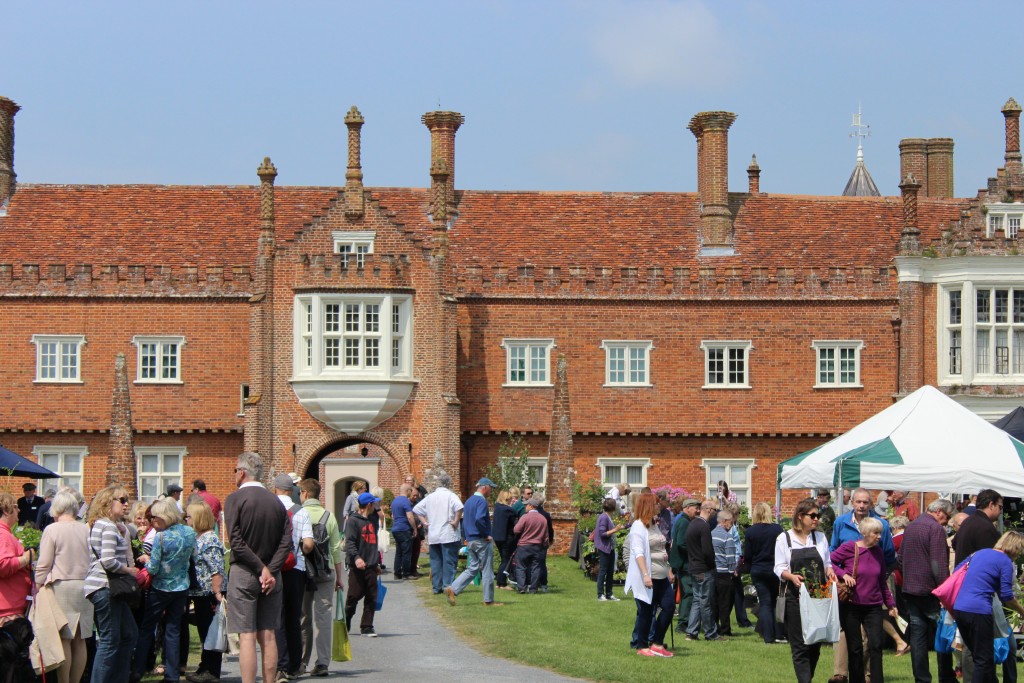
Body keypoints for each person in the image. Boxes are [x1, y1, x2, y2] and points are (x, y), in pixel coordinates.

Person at [224, 451, 293, 683]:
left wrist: (260, 568)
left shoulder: (235, 499)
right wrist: (270, 569)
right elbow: (287, 542)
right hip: (273, 575)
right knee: (269, 634)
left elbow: (235, 540)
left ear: (242, 472)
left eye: (235, 470)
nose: (234, 474)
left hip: (244, 571)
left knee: (247, 635)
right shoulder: (276, 501)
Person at [829, 487, 896, 683]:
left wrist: (890, 604)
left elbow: (885, 568)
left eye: (865, 502)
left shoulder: (879, 535)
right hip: (850, 597)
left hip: (873, 601)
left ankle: (874, 678)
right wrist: (842, 575)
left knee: (875, 644)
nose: (861, 505)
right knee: (854, 644)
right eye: (858, 502)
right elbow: (830, 559)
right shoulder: (841, 524)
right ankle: (844, 675)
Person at [131, 498, 196, 683]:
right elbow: (193, 556)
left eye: (154, 518)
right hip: (181, 586)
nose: (152, 522)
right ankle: (172, 674)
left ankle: (138, 670)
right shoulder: (190, 533)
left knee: (147, 628)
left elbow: (153, 568)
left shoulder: (161, 536)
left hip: (160, 587)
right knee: (173, 630)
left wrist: (146, 560)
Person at [775, 497, 837, 683]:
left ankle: (807, 678)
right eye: (813, 515)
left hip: (819, 596)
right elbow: (778, 567)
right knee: (799, 644)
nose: (816, 519)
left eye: (817, 515)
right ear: (801, 516)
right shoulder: (784, 538)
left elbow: (827, 562)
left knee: (815, 643)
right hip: (795, 597)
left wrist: (830, 570)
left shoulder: (820, 537)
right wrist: (791, 576)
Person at [35, 489, 93, 683]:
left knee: (64, 638)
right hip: (85, 585)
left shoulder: (52, 529)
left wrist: (37, 584)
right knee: (81, 639)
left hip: (61, 585)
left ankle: (64, 681)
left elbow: (44, 563)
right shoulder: (86, 528)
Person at [952, 531, 1024, 683]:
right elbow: (1007, 595)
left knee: (979, 655)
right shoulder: (1005, 561)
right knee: (983, 659)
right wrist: (1021, 611)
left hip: (959, 608)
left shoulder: (978, 553)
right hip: (979, 610)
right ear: (1015, 547)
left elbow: (957, 572)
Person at [84, 485, 138, 683]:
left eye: (127, 500)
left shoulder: (107, 525)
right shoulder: (106, 526)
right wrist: (128, 570)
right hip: (105, 587)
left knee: (129, 634)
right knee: (109, 640)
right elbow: (107, 560)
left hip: (107, 587)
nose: (126, 504)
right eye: (122, 500)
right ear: (107, 503)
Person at [901, 497, 955, 683]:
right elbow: (938, 563)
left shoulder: (911, 526)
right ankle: (946, 676)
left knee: (918, 638)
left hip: (911, 589)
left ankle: (921, 678)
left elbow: (900, 558)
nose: (947, 522)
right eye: (947, 517)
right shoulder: (936, 529)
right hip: (930, 592)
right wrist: (945, 592)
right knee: (943, 634)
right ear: (939, 511)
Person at [297, 478, 343, 677]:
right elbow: (335, 549)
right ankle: (323, 663)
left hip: (303, 573)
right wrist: (339, 577)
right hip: (325, 572)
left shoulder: (298, 514)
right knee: (323, 618)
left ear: (305, 494)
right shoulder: (329, 516)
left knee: (303, 617)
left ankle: (301, 662)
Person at [625, 493, 674, 657]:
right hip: (648, 577)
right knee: (647, 612)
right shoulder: (638, 526)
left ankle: (657, 643)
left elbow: (661, 548)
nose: (658, 506)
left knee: (669, 607)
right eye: (655, 504)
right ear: (647, 506)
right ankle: (642, 645)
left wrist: (668, 569)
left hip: (661, 575)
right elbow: (638, 552)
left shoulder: (654, 524)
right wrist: (645, 574)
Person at [272, 473, 307, 682]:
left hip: (275, 567)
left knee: (278, 618)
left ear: (276, 488)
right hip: (297, 567)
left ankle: (281, 665)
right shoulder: (300, 512)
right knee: (294, 618)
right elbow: (308, 542)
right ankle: (295, 664)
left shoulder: (270, 508)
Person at [184, 502, 224, 683]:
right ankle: (204, 666)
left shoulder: (210, 540)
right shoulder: (198, 538)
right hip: (198, 593)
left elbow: (217, 569)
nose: (186, 520)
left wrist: (217, 594)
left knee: (210, 632)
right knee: (204, 633)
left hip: (208, 594)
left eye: (189, 516)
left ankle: (212, 670)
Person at [446, 478, 502, 607]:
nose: (491, 490)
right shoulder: (481, 501)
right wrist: (485, 534)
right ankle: (488, 600)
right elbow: (479, 519)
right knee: (487, 570)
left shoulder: (469, 501)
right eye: (491, 488)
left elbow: (464, 520)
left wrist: (466, 537)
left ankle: (453, 589)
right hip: (481, 539)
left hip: (471, 539)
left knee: (472, 568)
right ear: (485, 487)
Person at [412, 472, 463, 595]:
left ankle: (436, 587)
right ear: (448, 484)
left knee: (436, 561)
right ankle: (447, 586)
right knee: (449, 561)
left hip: (434, 534)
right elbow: (459, 507)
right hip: (448, 533)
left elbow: (416, 509)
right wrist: (456, 521)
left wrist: (424, 522)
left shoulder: (430, 496)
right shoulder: (451, 495)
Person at [743, 501, 786, 645]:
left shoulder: (751, 531)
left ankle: (768, 636)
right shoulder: (777, 529)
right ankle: (779, 633)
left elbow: (747, 554)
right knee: (776, 602)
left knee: (765, 603)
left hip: (758, 569)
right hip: (775, 569)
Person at [685, 499, 724, 641]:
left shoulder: (692, 524)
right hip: (703, 569)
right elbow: (707, 551)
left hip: (694, 567)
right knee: (705, 601)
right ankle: (711, 633)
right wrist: (712, 564)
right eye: (714, 510)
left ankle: (691, 631)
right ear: (708, 510)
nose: (715, 513)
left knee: (697, 599)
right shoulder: (704, 526)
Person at [345, 491, 381, 637]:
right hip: (357, 565)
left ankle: (367, 626)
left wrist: (376, 562)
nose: (375, 506)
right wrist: (356, 558)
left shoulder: (372, 520)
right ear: (369, 504)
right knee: (354, 595)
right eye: (374, 503)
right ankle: (347, 616)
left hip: (371, 565)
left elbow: (373, 543)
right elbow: (350, 542)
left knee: (372, 596)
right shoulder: (353, 521)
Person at [0, 491, 33, 624]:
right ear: (6, 511)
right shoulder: (3, 535)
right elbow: (2, 565)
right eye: (15, 506)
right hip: (7, 611)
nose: (19, 510)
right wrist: (26, 558)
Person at [669, 498, 699, 632]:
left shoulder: (684, 521)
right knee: (688, 593)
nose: (698, 510)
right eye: (695, 508)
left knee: (687, 592)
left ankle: (684, 621)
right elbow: (681, 542)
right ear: (687, 508)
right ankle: (683, 624)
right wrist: (695, 552)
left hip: (682, 563)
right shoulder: (685, 522)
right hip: (685, 564)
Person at [953, 488, 1003, 565]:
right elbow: (991, 559)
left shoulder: (968, 521)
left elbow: (954, 544)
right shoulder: (985, 527)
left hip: (962, 572)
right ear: (991, 505)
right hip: (975, 574)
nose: (1000, 512)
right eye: (1000, 507)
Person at [512, 497, 547, 593]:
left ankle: (522, 588)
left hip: (524, 546)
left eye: (526, 505)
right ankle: (533, 588)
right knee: (536, 568)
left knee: (521, 567)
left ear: (531, 506)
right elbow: (545, 535)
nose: (525, 507)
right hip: (537, 546)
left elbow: (516, 530)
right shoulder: (543, 519)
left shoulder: (525, 517)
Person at [711, 509, 738, 636]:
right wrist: (733, 572)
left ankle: (714, 627)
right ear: (725, 521)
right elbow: (731, 558)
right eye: (731, 522)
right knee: (725, 604)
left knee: (714, 602)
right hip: (724, 573)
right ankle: (725, 629)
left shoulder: (710, 534)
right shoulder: (728, 536)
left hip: (713, 572)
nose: (732, 525)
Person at [595, 498, 624, 601]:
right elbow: (602, 534)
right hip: (604, 548)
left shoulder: (608, 517)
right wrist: (615, 529)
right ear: (613, 507)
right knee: (603, 571)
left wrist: (619, 527)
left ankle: (609, 594)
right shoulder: (604, 517)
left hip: (610, 548)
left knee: (610, 571)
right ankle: (600, 594)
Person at [492, 489, 518, 592]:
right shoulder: (509, 510)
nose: (511, 500)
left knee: (504, 559)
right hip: (507, 538)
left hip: (497, 537)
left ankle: (500, 582)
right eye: (510, 498)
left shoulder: (497, 507)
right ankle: (501, 583)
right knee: (506, 560)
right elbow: (516, 524)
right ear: (506, 498)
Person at [390, 484, 416, 580]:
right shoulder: (406, 501)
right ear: (408, 491)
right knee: (407, 552)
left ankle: (397, 573)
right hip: (404, 529)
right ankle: (406, 573)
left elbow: (393, 516)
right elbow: (410, 516)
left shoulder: (394, 501)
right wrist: (414, 528)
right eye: (411, 490)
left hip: (395, 529)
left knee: (399, 552)